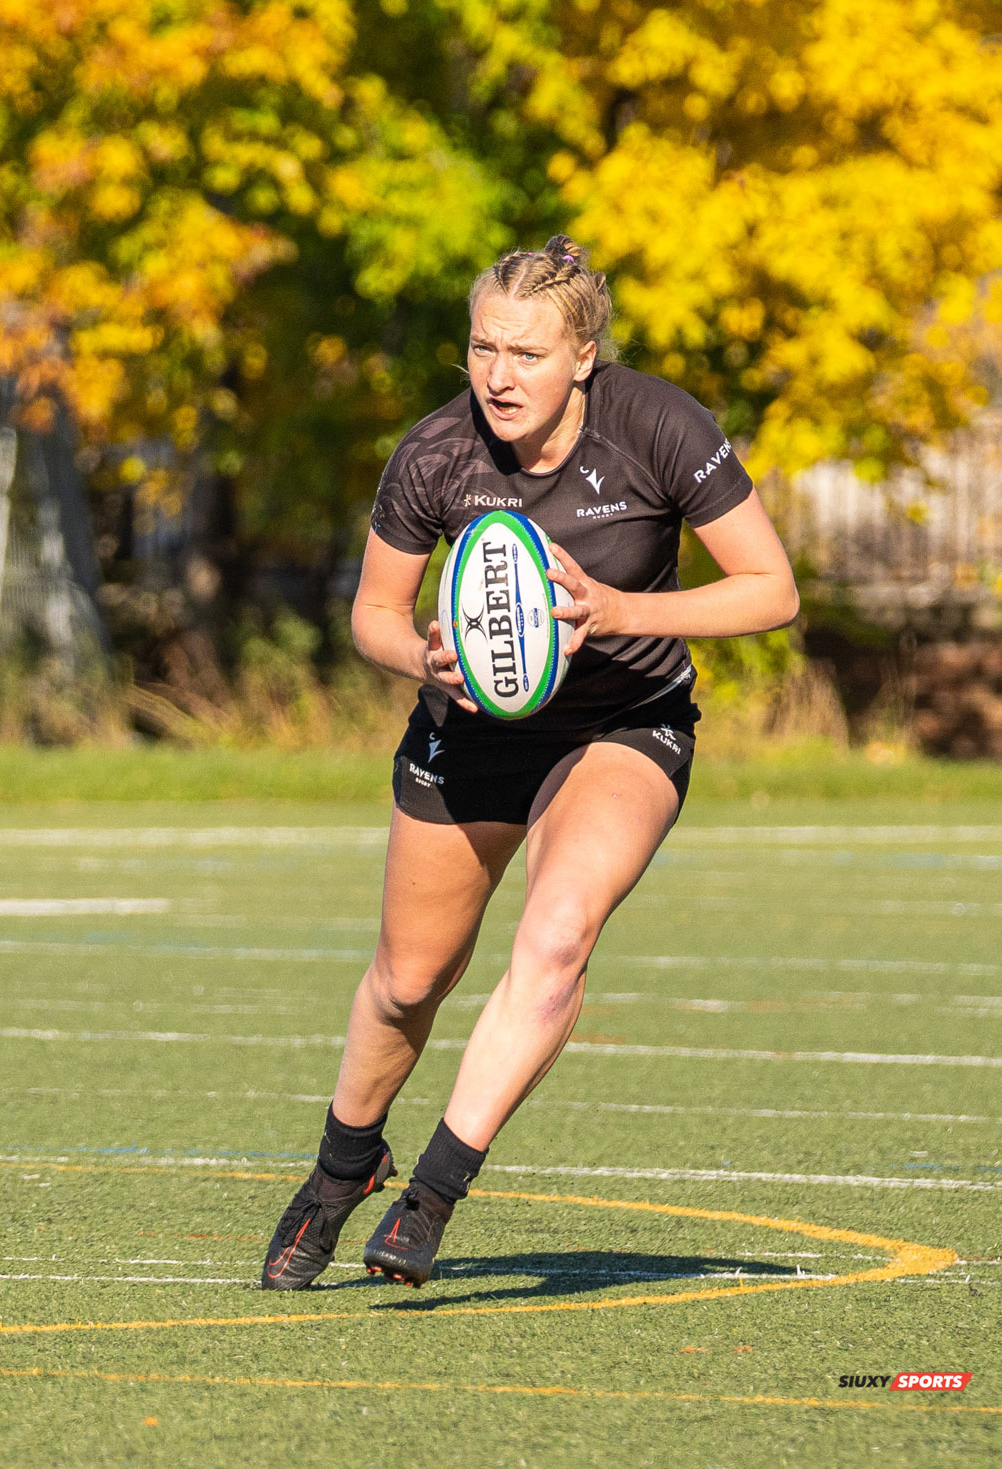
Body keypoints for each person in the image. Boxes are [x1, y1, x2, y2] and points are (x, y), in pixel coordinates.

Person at [260, 236, 798, 1290]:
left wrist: (612, 613)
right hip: (468, 730)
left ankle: (432, 1192)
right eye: (480, 348)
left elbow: (770, 589)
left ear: (583, 356)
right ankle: (340, 1169)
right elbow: (371, 613)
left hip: (621, 721)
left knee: (554, 937)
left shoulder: (659, 427)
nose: (499, 375)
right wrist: (420, 652)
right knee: (407, 978)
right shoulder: (433, 453)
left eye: (527, 352)